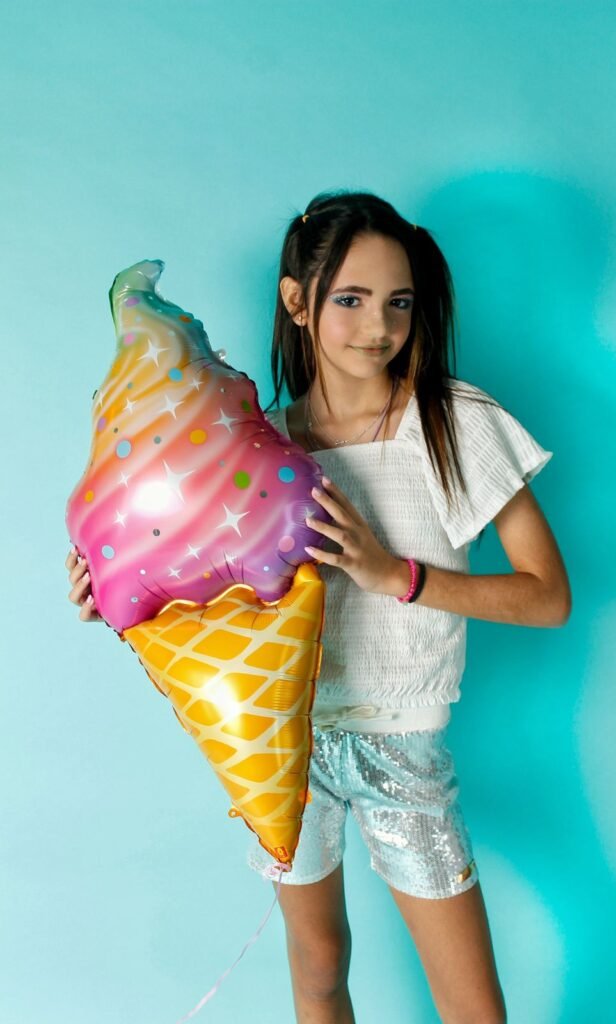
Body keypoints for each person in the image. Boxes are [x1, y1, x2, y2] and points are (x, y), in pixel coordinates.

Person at [65, 189, 571, 1024]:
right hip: (286, 746)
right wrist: (118, 601)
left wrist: (395, 574)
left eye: (399, 302)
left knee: (473, 1007)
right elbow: (212, 598)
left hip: (403, 744)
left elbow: (548, 597)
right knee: (320, 967)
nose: (378, 326)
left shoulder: (453, 423)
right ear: (298, 301)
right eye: (351, 299)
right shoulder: (256, 444)